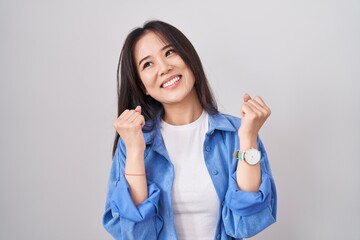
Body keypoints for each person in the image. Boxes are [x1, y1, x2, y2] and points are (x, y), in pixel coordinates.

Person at [103, 20, 277, 240]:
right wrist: (136, 151)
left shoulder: (235, 134)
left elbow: (247, 223)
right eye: (148, 64)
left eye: (170, 52)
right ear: (142, 87)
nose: (164, 68)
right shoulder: (134, 141)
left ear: (190, 59)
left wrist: (248, 138)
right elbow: (136, 234)